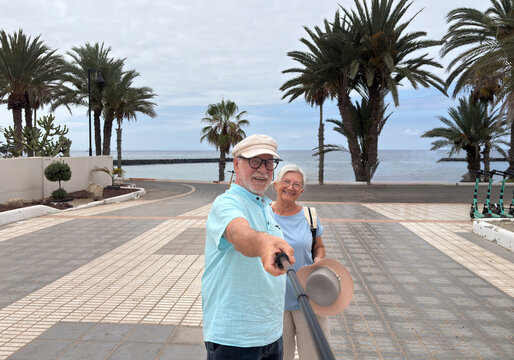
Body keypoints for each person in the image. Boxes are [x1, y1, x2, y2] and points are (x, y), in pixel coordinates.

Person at [202, 134, 295, 360]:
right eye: (254, 161)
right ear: (236, 163)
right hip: (234, 339)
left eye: (269, 162)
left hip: (272, 334)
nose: (263, 170)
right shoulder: (227, 203)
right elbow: (238, 233)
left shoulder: (265, 206)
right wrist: (263, 243)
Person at [271, 164, 330, 360]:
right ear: (276, 185)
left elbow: (318, 246)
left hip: (309, 297)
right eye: (286, 182)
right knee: (279, 356)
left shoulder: (309, 216)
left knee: (314, 355)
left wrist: (319, 259)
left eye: (297, 184)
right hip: (274, 300)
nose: (291, 187)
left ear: (302, 190)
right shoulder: (264, 214)